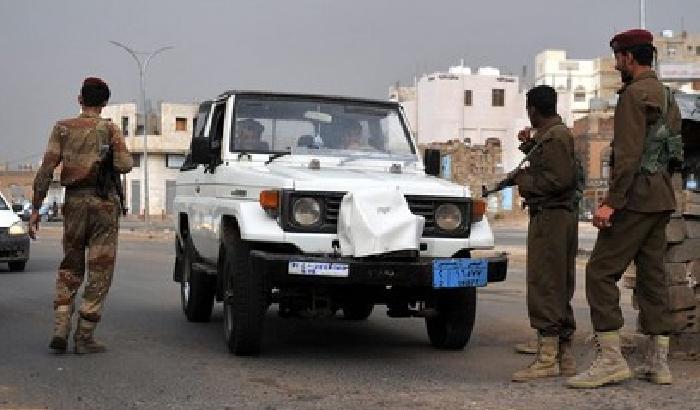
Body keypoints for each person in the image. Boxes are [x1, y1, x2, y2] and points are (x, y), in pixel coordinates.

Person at [567, 29, 682, 388]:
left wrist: (611, 204)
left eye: (618, 57)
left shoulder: (633, 95)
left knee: (600, 272)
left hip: (635, 198)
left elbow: (627, 157)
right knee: (652, 278)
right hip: (661, 197)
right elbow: (674, 153)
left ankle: (611, 360)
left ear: (629, 57)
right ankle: (658, 363)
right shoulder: (667, 96)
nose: (616, 64)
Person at [30, 77, 133, 354]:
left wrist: (36, 208)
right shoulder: (110, 129)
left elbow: (46, 169)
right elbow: (125, 164)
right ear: (105, 103)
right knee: (100, 268)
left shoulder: (62, 128)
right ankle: (84, 336)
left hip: (74, 203)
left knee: (70, 264)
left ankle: (61, 326)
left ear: (80, 100)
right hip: (103, 205)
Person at [506, 85, 578, 382]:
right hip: (555, 216)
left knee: (545, 283)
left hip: (551, 217)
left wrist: (524, 182)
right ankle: (563, 356)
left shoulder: (556, 136)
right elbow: (550, 165)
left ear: (533, 109)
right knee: (557, 283)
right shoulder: (552, 135)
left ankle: (548, 359)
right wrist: (528, 147)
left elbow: (559, 179)